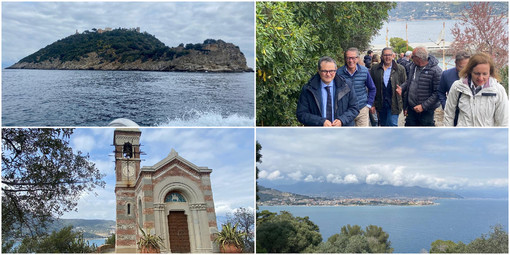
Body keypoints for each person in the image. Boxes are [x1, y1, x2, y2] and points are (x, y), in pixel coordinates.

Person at [443, 53, 508, 126]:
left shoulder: (498, 90)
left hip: (487, 136)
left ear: (490, 73)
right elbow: (449, 114)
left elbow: (504, 121)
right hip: (462, 135)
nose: (480, 78)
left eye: (485, 74)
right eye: (477, 73)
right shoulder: (457, 87)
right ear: (470, 71)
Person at [296, 56, 359, 126]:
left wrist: (342, 120)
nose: (328, 74)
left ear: (336, 70)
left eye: (331, 71)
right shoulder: (308, 89)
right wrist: (321, 122)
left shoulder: (347, 86)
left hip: (342, 131)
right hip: (317, 132)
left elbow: (354, 108)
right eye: (324, 71)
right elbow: (301, 114)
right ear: (319, 71)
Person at [401, 46, 441, 126]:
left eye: (413, 56)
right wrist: (402, 88)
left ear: (419, 58)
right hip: (412, 109)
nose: (411, 58)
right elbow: (409, 81)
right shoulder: (412, 67)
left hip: (426, 111)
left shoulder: (436, 71)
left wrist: (423, 106)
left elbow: (437, 93)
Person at [337, 48, 376, 127]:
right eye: (348, 58)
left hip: (362, 109)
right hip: (346, 111)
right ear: (345, 59)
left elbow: (372, 88)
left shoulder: (364, 71)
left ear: (357, 58)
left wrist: (368, 105)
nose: (351, 61)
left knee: (362, 136)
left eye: (353, 58)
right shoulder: (338, 72)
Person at [370, 47, 407, 126]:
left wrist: (405, 106)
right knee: (383, 125)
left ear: (393, 56)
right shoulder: (375, 69)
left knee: (392, 125)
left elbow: (405, 85)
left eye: (389, 55)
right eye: (385, 55)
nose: (388, 57)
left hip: (395, 103)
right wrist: (372, 104)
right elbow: (371, 87)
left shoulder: (400, 69)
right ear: (382, 56)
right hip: (380, 104)